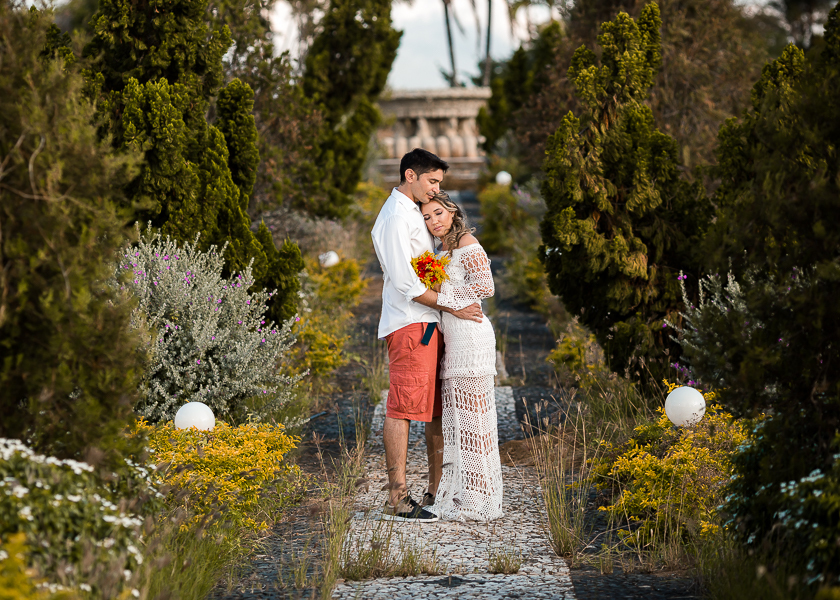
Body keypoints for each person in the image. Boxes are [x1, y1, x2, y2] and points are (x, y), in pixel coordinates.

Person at [371, 148, 484, 522]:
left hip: (430, 322)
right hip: (409, 324)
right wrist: (453, 306)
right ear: (410, 176)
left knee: (435, 409)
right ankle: (399, 498)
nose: (436, 190)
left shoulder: (412, 214)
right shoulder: (394, 218)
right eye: (432, 181)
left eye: (439, 184)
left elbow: (427, 271)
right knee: (403, 408)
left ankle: (437, 489)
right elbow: (406, 283)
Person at [419, 192, 503, 522]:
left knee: (474, 422)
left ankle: (478, 499)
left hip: (472, 337)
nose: (434, 221)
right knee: (463, 421)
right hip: (455, 338)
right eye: (427, 217)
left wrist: (447, 299)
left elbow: (486, 287)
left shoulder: (467, 242)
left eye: (438, 213)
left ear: (452, 211)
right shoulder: (441, 250)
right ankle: (469, 494)